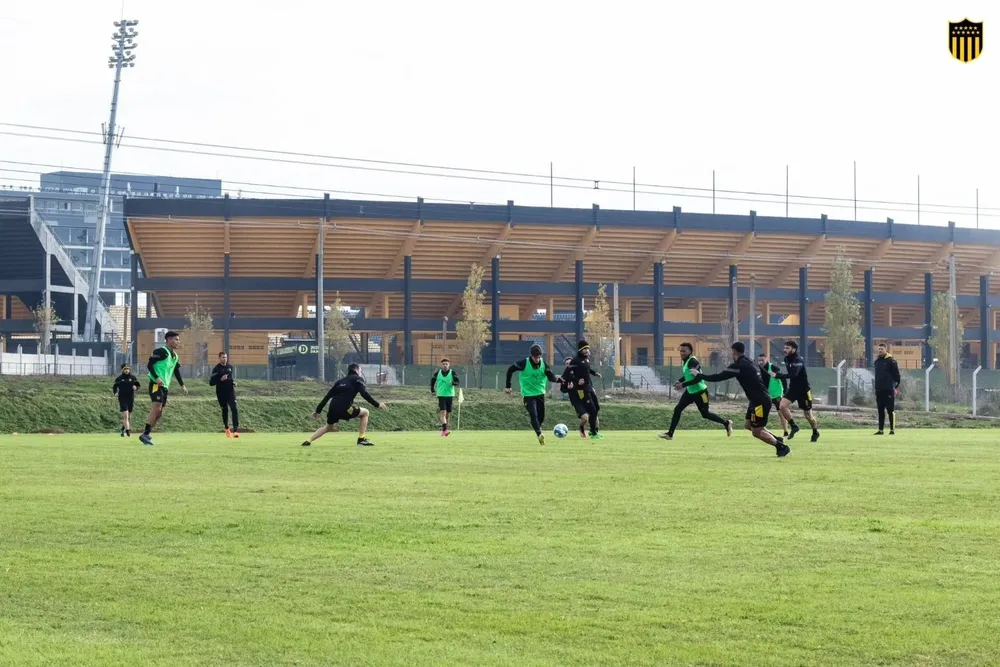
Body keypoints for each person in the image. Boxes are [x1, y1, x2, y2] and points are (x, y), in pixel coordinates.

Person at [688, 341, 790, 457]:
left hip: (759, 401)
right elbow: (765, 375)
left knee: (756, 431)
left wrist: (699, 375)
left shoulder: (739, 365)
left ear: (734, 352)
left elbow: (718, 377)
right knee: (748, 425)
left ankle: (781, 447)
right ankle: (777, 439)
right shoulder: (750, 361)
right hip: (757, 399)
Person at [659, 342, 732, 440]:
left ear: (690, 351)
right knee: (678, 409)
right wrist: (680, 380)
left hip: (701, 392)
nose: (682, 353)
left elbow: (698, 378)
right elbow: (688, 375)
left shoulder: (693, 361)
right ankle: (670, 434)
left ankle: (726, 423)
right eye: (680, 351)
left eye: (684, 351)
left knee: (705, 414)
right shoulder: (686, 362)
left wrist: (683, 385)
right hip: (690, 392)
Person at [303, 363, 387, 447]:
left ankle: (308, 441)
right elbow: (364, 393)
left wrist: (318, 410)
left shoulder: (340, 382)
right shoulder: (358, 379)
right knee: (365, 413)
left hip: (332, 409)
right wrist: (377, 404)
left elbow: (327, 396)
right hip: (344, 408)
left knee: (328, 427)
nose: (361, 372)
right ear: (356, 370)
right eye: (360, 370)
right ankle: (361, 440)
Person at [505, 343, 561, 445]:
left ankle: (538, 430)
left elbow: (551, 377)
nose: (537, 359)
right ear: (531, 355)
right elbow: (510, 370)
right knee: (533, 414)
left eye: (539, 357)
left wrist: (559, 380)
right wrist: (508, 386)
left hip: (540, 394)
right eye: (535, 357)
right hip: (528, 395)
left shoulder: (544, 364)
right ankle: (539, 434)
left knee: (541, 417)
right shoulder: (524, 363)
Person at [139, 331, 187, 446]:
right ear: (169, 340)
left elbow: (176, 370)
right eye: (176, 339)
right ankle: (145, 435)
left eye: (178, 339)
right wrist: (157, 378)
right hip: (156, 384)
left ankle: (146, 434)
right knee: (156, 408)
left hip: (165, 386)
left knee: (160, 412)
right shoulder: (161, 352)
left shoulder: (175, 356)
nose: (178, 341)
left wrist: (182, 385)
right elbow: (149, 365)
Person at [770, 340, 820, 442]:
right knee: (782, 406)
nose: (785, 350)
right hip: (793, 389)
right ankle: (794, 426)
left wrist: (778, 375)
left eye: (787, 348)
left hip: (804, 390)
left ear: (794, 349)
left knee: (808, 416)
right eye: (784, 348)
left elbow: (793, 375)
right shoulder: (787, 358)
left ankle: (815, 431)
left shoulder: (798, 360)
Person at [563, 340, 603, 440]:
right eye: (585, 349)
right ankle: (593, 432)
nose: (587, 351)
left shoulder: (586, 360)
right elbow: (566, 374)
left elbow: (587, 370)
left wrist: (595, 373)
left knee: (596, 408)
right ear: (580, 350)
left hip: (588, 388)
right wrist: (576, 381)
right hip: (581, 391)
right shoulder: (575, 360)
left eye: (587, 349)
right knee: (592, 411)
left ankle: (593, 431)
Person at [757, 351, 789, 436]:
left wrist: (785, 392)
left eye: (762, 360)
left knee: (780, 413)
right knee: (762, 414)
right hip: (765, 395)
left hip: (776, 395)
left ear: (767, 359)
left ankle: (786, 431)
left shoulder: (774, 368)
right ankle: (762, 430)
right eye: (759, 360)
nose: (760, 362)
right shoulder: (758, 369)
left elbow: (783, 379)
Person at [210, 351, 240, 438]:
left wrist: (233, 382)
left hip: (230, 391)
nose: (225, 359)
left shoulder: (230, 367)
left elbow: (230, 378)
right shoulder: (216, 369)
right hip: (221, 393)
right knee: (225, 410)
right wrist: (220, 379)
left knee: (234, 408)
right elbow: (211, 383)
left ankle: (235, 430)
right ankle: (227, 428)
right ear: (219, 358)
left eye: (226, 357)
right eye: (223, 357)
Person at [873, 343, 901, 435]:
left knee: (890, 410)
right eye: (879, 349)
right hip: (879, 389)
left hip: (888, 389)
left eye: (881, 349)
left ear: (886, 349)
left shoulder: (891, 361)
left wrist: (895, 387)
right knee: (880, 410)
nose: (880, 350)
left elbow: (897, 376)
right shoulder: (877, 362)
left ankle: (892, 430)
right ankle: (881, 430)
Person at [429, 358, 459, 436]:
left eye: (446, 364)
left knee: (448, 413)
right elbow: (432, 382)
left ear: (449, 365)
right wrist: (432, 390)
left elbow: (457, 382)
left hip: (450, 395)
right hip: (441, 395)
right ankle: (445, 430)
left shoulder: (453, 373)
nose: (445, 365)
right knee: (443, 412)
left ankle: (444, 429)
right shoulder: (437, 373)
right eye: (443, 364)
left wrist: (452, 383)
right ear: (441, 365)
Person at [112, 362, 141, 437]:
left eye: (127, 369)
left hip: (130, 398)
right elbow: (115, 386)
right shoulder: (119, 378)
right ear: (122, 370)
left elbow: (138, 385)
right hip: (122, 398)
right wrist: (115, 392)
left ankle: (122, 429)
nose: (126, 370)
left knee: (128, 417)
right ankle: (128, 432)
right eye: (125, 369)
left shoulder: (133, 377)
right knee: (126, 416)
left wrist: (136, 388)